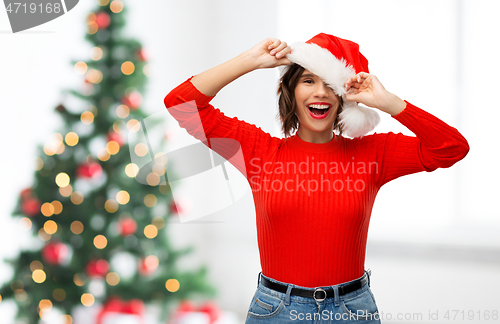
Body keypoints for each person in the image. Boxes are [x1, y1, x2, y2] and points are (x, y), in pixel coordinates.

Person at [164, 33, 469, 323]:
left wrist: (388, 102)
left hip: (352, 311)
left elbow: (451, 148)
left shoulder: (373, 154)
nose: (320, 92)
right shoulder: (257, 150)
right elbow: (180, 104)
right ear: (292, 91)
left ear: (344, 98)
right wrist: (251, 60)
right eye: (308, 80)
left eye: (331, 85)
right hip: (276, 310)